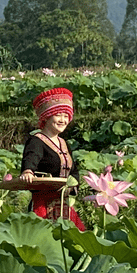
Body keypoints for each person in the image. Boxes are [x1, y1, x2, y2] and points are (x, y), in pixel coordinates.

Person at [20, 88, 85, 230]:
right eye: (58, 115)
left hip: (63, 202)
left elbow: (73, 170)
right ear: (46, 116)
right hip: (42, 202)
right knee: (43, 237)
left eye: (66, 116)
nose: (63, 120)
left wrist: (73, 186)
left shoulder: (64, 143)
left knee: (73, 238)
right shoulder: (36, 141)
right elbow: (31, 158)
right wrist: (28, 171)